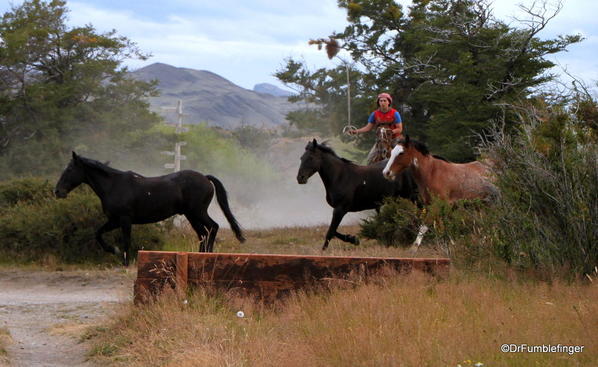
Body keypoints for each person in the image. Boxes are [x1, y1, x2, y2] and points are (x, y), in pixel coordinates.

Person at [349, 93, 403, 164]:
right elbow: (368, 127)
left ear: (389, 102)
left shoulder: (395, 113)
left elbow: (399, 129)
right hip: (381, 140)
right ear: (378, 102)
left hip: (394, 139)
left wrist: (389, 132)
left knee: (401, 157)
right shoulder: (374, 114)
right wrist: (356, 131)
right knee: (370, 158)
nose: (382, 102)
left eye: (384, 100)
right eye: (381, 101)